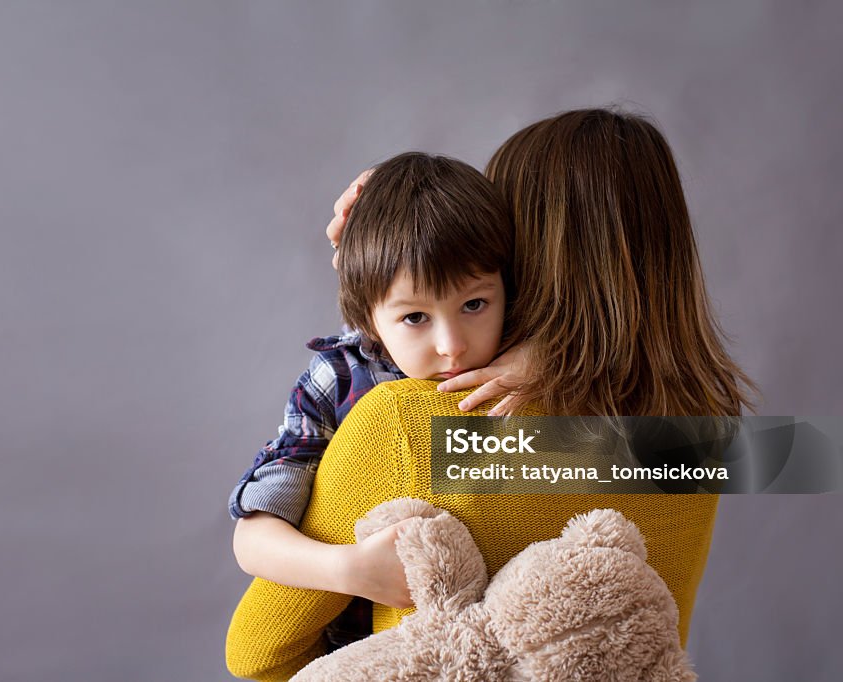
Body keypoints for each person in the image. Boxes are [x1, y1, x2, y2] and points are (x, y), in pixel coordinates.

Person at [226, 108, 757, 681]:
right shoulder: (704, 431)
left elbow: (257, 654)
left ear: (518, 249)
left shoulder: (409, 426)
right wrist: (397, 211)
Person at [228, 152, 516, 647]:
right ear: (368, 318)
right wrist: (350, 569)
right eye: (415, 317)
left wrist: (538, 361)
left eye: (474, 305)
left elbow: (667, 459)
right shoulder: (342, 381)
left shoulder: (517, 360)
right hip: (362, 645)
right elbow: (253, 537)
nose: (452, 345)